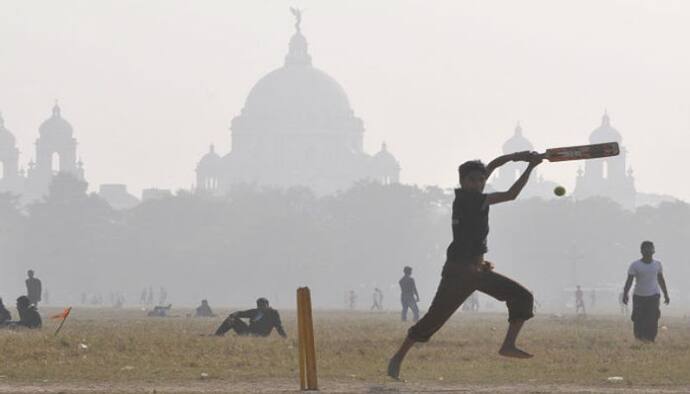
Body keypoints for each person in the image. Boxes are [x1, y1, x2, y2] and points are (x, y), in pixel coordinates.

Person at [388, 151, 540, 379]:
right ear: (462, 181)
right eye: (473, 180)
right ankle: (397, 358)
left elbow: (492, 165)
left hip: (476, 269)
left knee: (522, 297)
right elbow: (511, 194)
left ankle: (508, 344)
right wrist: (530, 167)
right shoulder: (472, 199)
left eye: (481, 180)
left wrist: (516, 156)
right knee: (434, 318)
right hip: (460, 272)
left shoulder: (471, 193)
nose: (478, 184)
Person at [622, 241, 670, 342]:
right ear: (641, 251)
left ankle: (651, 339)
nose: (648, 251)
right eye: (646, 249)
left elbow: (661, 279)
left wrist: (666, 294)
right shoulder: (635, 265)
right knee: (638, 318)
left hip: (653, 296)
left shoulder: (657, 264)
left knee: (653, 318)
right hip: (639, 296)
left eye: (650, 248)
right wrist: (625, 293)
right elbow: (629, 280)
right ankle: (639, 338)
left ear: (653, 250)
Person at [214, 298, 286, 338]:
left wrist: (284, 338)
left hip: (260, 336)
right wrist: (233, 315)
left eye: (263, 305)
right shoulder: (255, 311)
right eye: (259, 305)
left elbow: (279, 327)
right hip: (248, 332)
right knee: (232, 320)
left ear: (267, 305)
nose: (261, 307)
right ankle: (217, 335)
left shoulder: (273, 313)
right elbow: (242, 313)